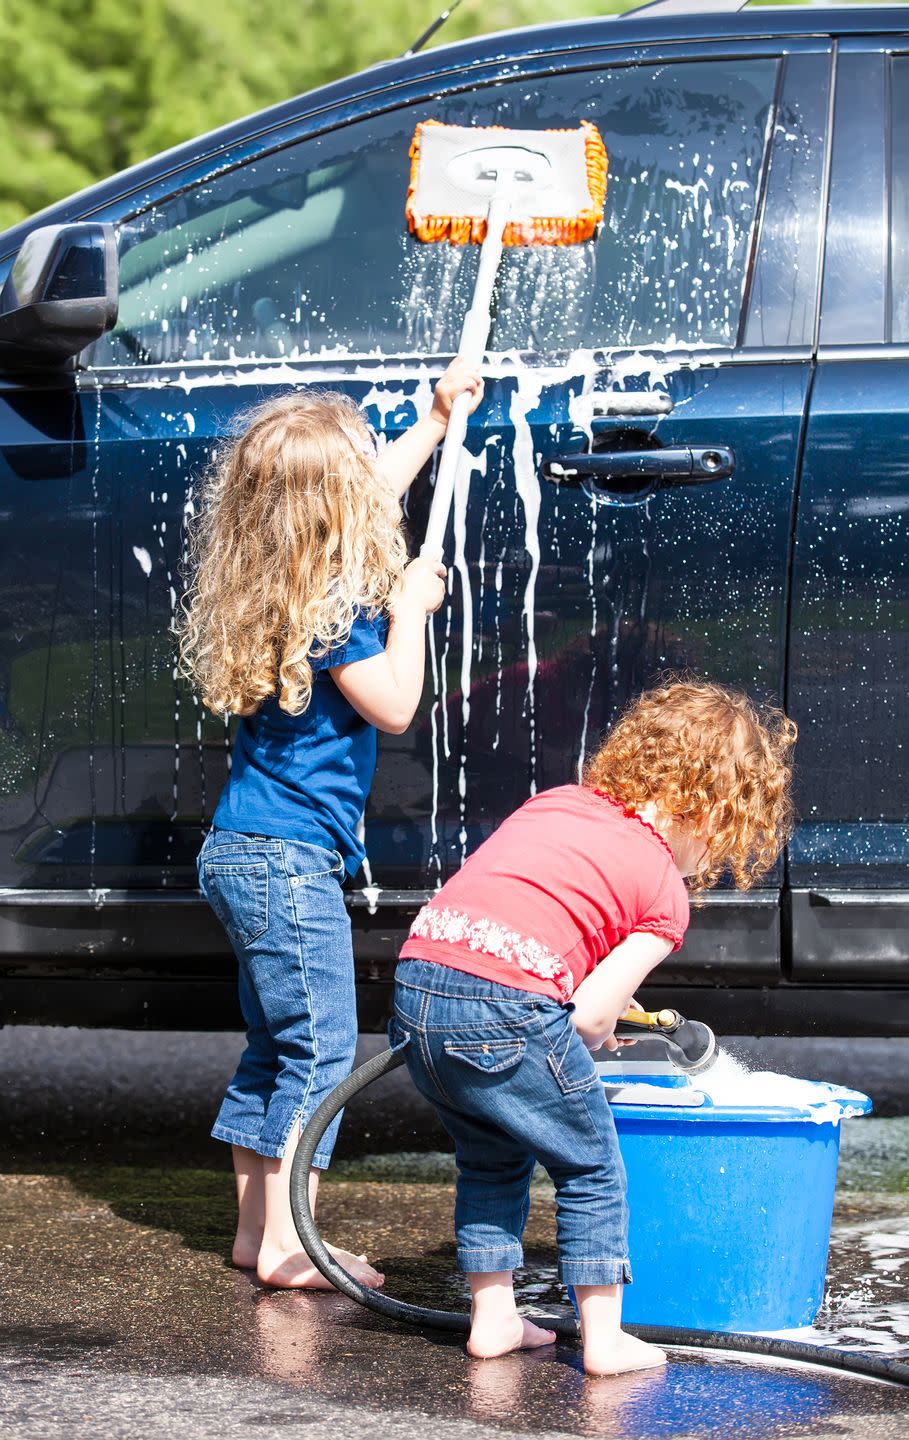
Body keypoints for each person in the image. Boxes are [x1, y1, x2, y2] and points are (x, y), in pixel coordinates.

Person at [178, 359, 483, 1289]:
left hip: (242, 853)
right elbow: (393, 706)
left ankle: (254, 1233)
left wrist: (434, 423)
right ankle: (285, 1243)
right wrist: (409, 615)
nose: (373, 492)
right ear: (332, 511)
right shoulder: (341, 611)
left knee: (276, 1044)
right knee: (321, 1048)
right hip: (287, 863)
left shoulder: (281, 577)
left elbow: (368, 485)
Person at [391, 681, 796, 1374]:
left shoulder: (558, 801)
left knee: (491, 1155)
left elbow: (523, 909)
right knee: (590, 1164)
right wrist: (583, 1028)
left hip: (417, 988)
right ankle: (604, 1341)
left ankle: (494, 1318)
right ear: (711, 808)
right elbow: (590, 1014)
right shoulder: (664, 892)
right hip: (506, 1006)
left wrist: (565, 1018)